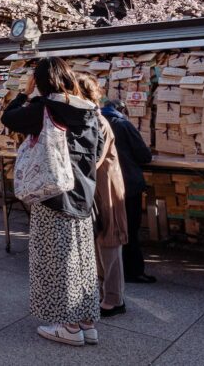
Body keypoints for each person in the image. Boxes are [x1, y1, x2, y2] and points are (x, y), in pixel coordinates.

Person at [1, 57, 102, 347]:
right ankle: (87, 322)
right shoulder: (89, 110)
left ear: (41, 82)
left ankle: (68, 326)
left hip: (53, 193)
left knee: (56, 259)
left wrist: (24, 93)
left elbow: (8, 118)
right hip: (83, 193)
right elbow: (94, 152)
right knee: (81, 259)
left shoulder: (43, 108)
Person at [78, 75, 128, 319]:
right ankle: (106, 294)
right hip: (97, 185)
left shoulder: (97, 121)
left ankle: (114, 298)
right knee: (101, 240)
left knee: (109, 240)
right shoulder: (92, 118)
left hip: (105, 186)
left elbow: (94, 158)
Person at [102, 100, 155, 284]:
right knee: (131, 229)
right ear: (122, 110)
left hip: (105, 185)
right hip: (128, 184)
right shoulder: (123, 124)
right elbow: (144, 156)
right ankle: (134, 271)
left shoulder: (96, 122)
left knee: (110, 228)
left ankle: (114, 271)